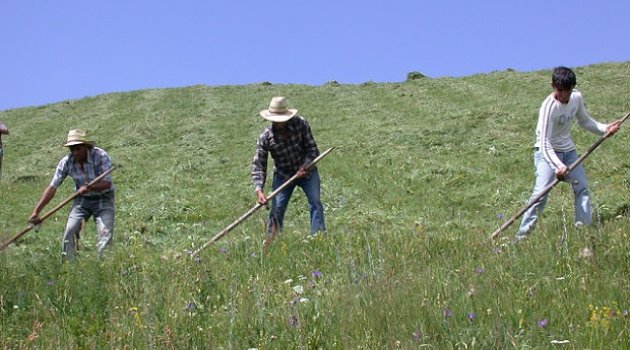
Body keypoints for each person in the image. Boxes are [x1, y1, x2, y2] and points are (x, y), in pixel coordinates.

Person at [515, 66, 621, 241]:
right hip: (546, 154)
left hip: (569, 151)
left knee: (582, 189)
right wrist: (558, 166)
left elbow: (584, 120)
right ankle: (521, 238)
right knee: (540, 195)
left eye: (568, 90)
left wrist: (605, 129)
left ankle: (583, 233)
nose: (564, 95)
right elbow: (544, 143)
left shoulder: (576, 98)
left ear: (573, 87)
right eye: (560, 90)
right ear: (553, 86)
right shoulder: (548, 108)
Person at [29, 129, 115, 260]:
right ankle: (69, 269)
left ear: (86, 146)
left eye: (78, 148)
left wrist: (89, 187)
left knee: (105, 233)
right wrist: (36, 212)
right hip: (82, 201)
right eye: (72, 149)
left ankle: (105, 267)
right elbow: (52, 187)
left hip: (104, 198)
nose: (75, 152)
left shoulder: (100, 156)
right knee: (70, 231)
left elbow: (107, 184)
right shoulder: (66, 162)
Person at [252, 96, 326, 237]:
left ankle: (319, 239)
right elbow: (259, 165)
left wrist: (305, 166)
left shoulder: (301, 124)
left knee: (315, 202)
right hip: (283, 175)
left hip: (307, 173)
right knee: (277, 209)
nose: (279, 123)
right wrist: (259, 190)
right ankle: (270, 244)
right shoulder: (265, 137)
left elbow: (312, 150)